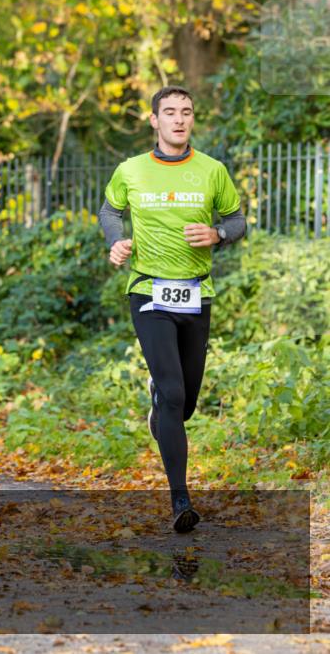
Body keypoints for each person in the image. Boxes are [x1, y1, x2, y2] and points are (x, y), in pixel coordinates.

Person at [98, 86, 245, 533]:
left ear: (192, 120)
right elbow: (108, 210)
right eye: (170, 112)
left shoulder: (213, 171)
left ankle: (160, 406)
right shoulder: (131, 170)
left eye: (186, 112)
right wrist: (116, 241)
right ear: (154, 120)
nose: (179, 120)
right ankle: (180, 499)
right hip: (148, 293)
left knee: (186, 403)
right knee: (174, 392)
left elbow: (238, 221)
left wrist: (219, 234)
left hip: (197, 294)